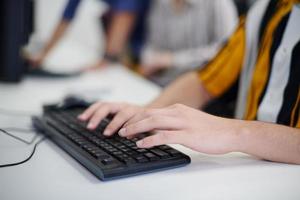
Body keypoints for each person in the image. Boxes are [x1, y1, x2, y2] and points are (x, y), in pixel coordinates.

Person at [78, 0, 300, 164]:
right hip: (250, 167)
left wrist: (232, 131)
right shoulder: (266, 11)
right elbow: (205, 80)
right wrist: (146, 114)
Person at [26, 0, 150, 70]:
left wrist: (106, 60)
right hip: (120, 43)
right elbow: (66, 17)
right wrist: (43, 54)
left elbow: (124, 17)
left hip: (142, 52)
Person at [140, 0, 238, 86]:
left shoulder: (218, 3)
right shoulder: (160, 3)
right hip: (159, 81)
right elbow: (152, 44)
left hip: (200, 87)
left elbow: (226, 51)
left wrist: (173, 59)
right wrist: (149, 60)